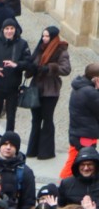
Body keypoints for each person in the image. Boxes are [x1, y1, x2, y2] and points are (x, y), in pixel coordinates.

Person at [26, 27, 71, 160]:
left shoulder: (61, 50)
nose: (44, 38)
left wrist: (50, 68)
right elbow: (31, 63)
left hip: (50, 91)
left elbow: (66, 69)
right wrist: (31, 68)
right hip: (36, 89)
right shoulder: (39, 48)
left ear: (53, 37)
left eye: (47, 36)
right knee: (35, 119)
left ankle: (46, 151)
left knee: (47, 119)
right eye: (43, 36)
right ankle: (32, 149)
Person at [0, 19, 31, 133]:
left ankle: (9, 139)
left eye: (12, 28)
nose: (9, 31)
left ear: (15, 30)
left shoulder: (22, 44)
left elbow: (29, 62)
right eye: (7, 29)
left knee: (11, 118)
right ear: (3, 30)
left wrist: (16, 65)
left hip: (13, 88)